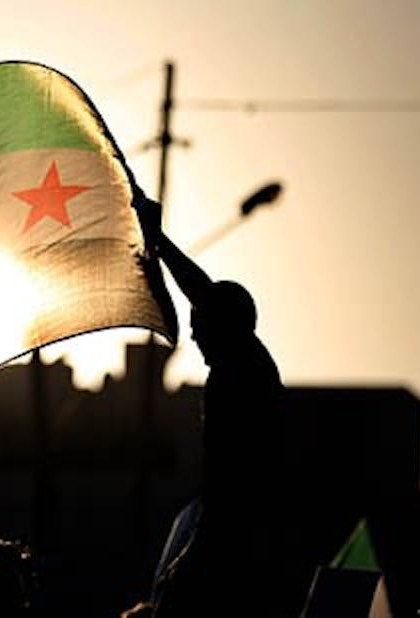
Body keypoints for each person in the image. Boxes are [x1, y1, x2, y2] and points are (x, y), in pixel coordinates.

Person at [130, 195, 310, 616]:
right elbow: (203, 293)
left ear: (224, 325)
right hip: (239, 534)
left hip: (237, 539)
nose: (194, 338)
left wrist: (198, 549)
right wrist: (158, 239)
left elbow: (202, 290)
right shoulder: (245, 364)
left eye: (200, 327)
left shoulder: (245, 366)